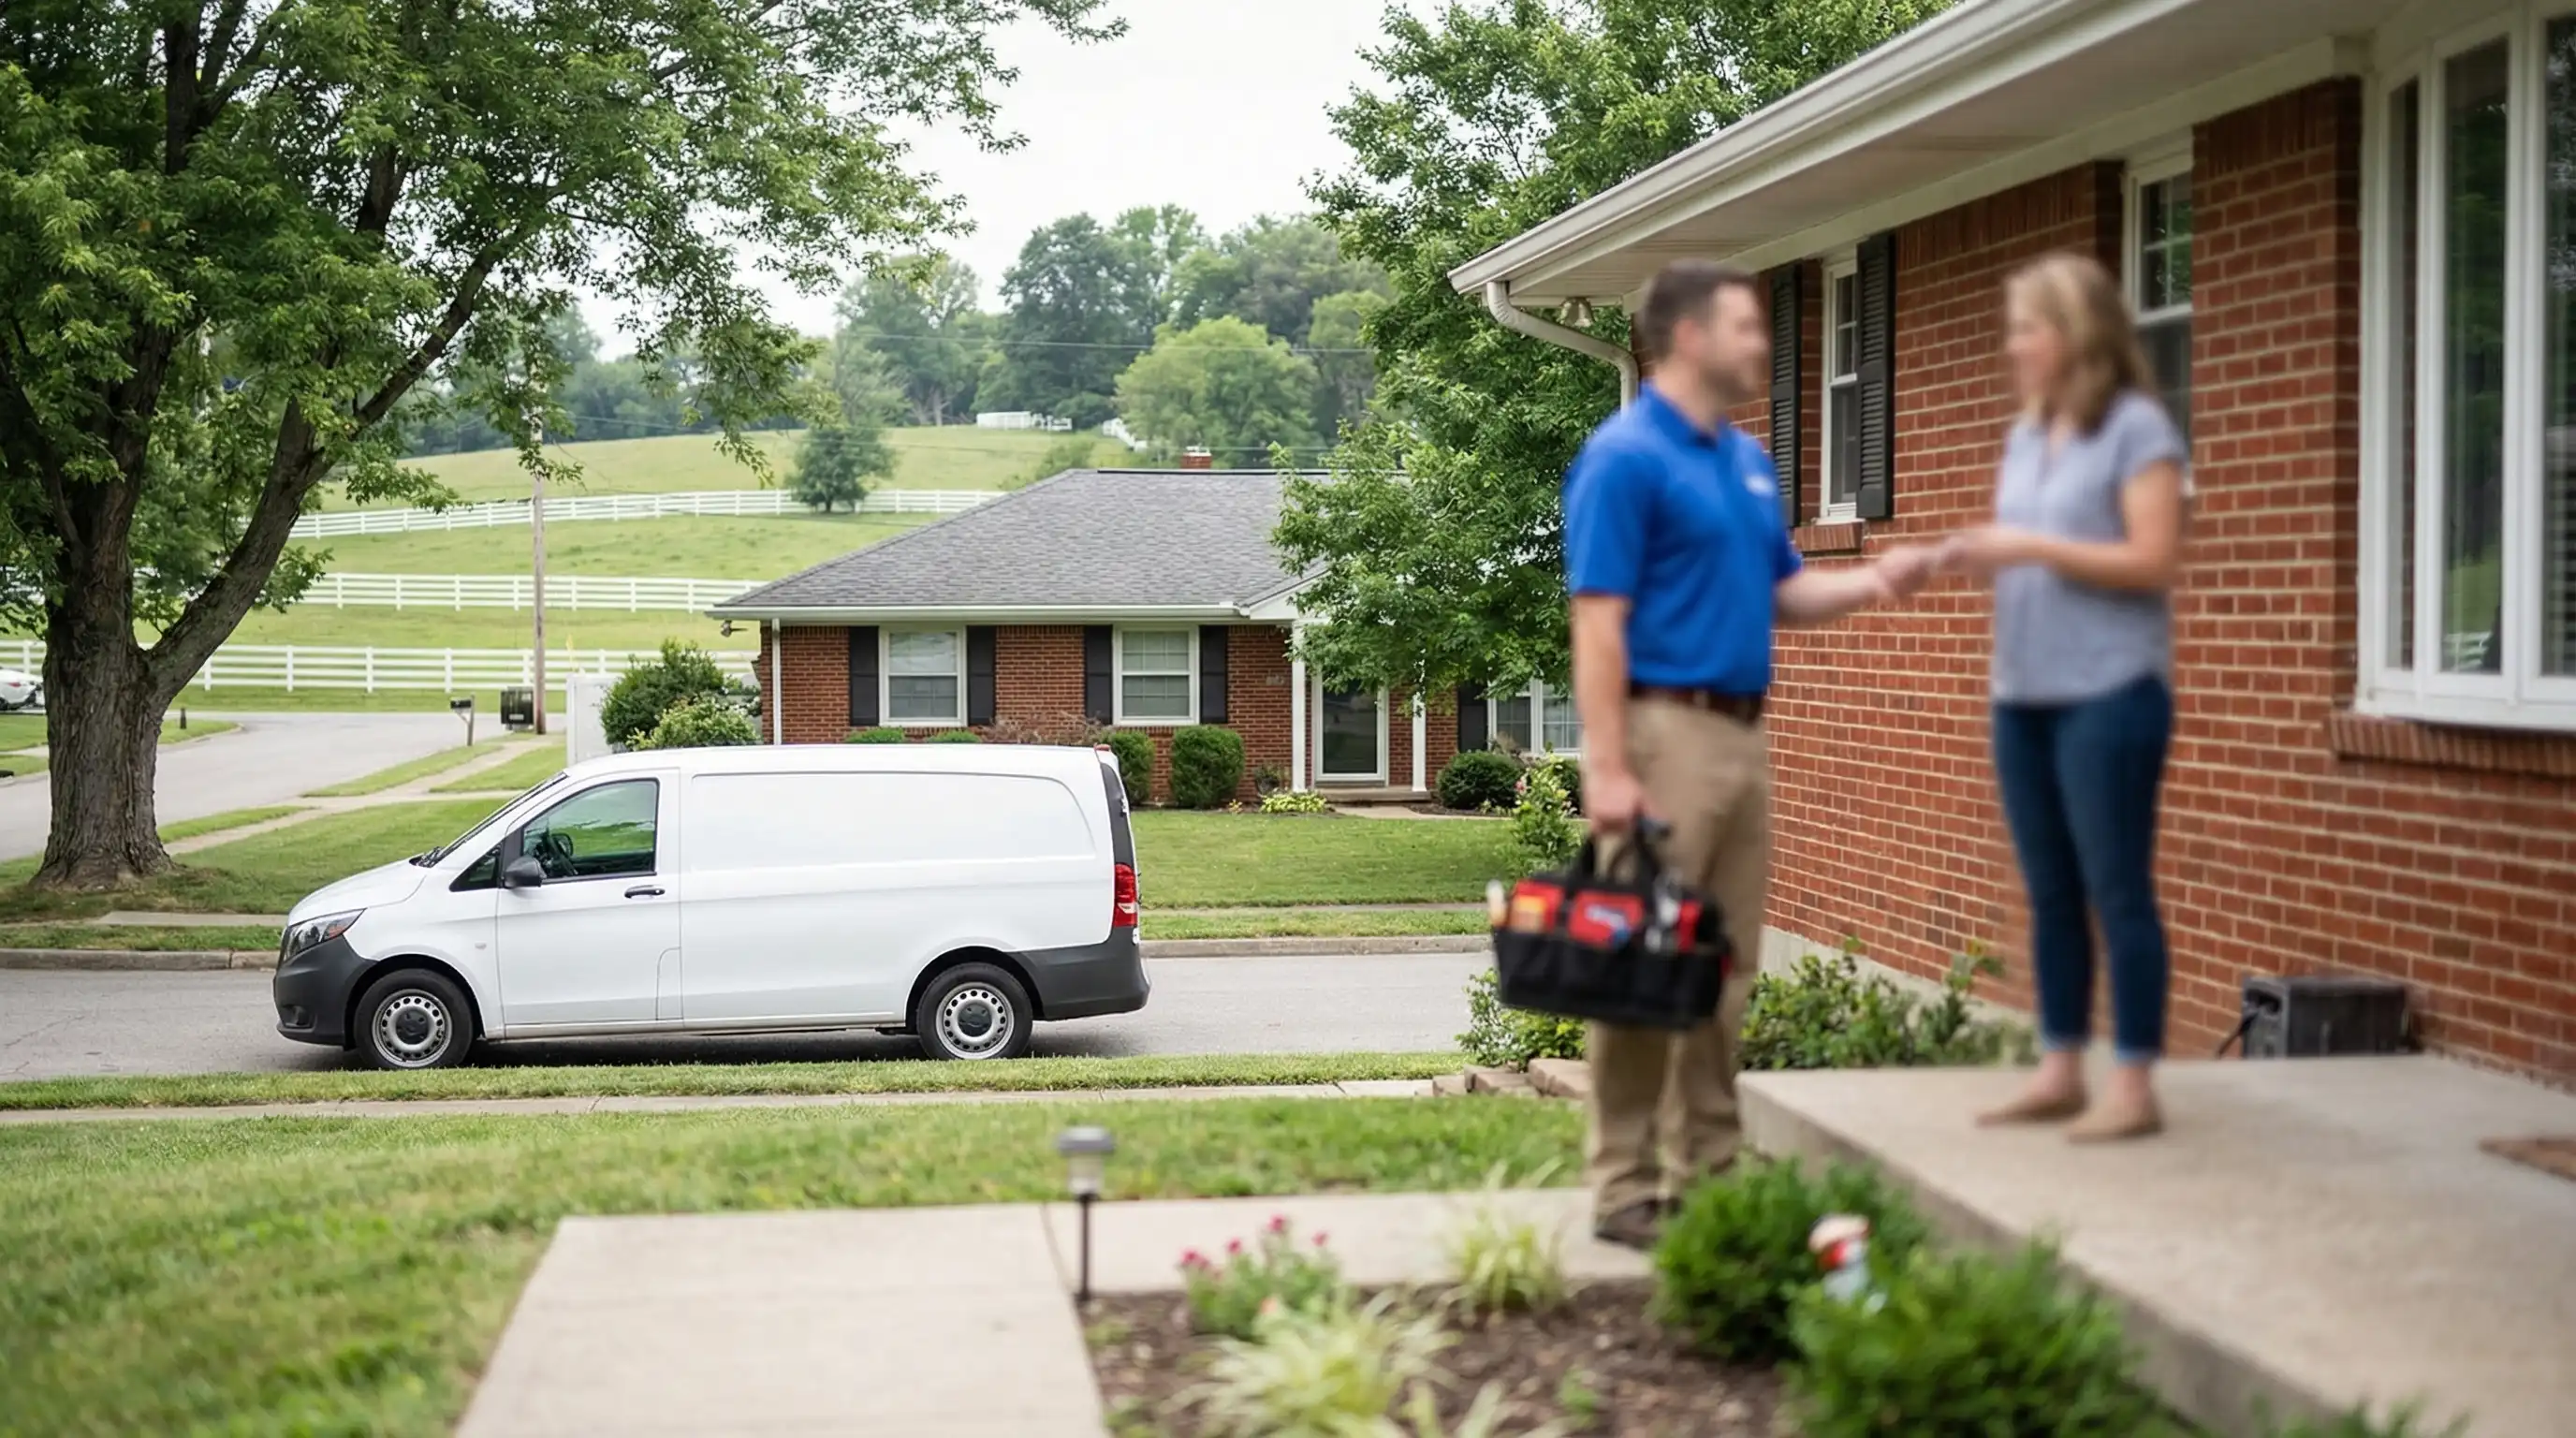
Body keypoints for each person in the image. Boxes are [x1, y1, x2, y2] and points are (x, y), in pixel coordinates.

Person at [1562, 258, 1939, 1248]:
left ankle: (1708, 1178)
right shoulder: (1625, 458)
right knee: (1644, 964)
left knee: (1723, 969)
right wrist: (1609, 767)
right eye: (1746, 327)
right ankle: (1624, 1186)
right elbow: (1597, 621)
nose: (1763, 345)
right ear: (1689, 337)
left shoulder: (1745, 462)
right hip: (1661, 733)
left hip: (1741, 732)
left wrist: (1877, 582)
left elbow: (1784, 590)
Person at [1944, 252, 2189, 1142]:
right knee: (2049, 891)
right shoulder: (2028, 434)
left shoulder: (2135, 429)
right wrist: (1973, 551)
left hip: (2109, 693)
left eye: (2026, 329)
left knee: (2116, 889)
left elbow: (2152, 560)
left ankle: (2134, 1084)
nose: (2013, 346)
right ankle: (2059, 1069)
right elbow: (2027, 544)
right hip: (2024, 695)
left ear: (2074, 332)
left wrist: (2031, 548)